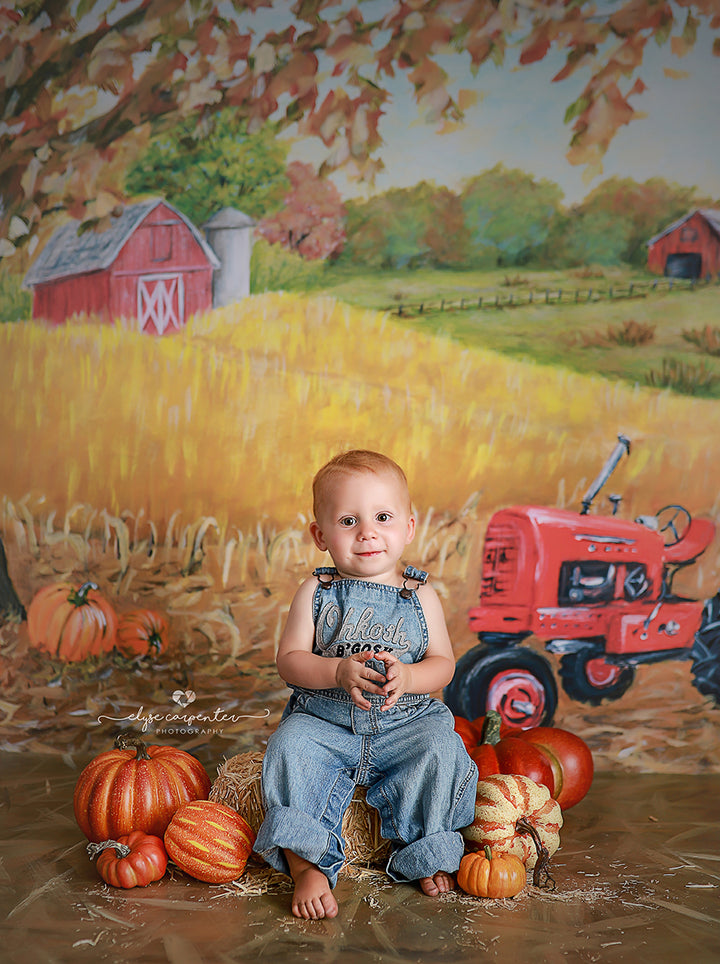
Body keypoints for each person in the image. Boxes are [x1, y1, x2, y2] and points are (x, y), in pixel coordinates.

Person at [253, 450, 478, 919]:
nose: (368, 532)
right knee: (290, 746)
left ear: (409, 527)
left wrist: (412, 676)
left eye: (382, 517)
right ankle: (306, 862)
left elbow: (444, 664)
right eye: (349, 520)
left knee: (440, 747)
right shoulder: (315, 592)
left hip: (404, 723)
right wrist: (335, 672)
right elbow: (290, 661)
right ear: (320, 535)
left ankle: (426, 850)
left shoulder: (421, 595)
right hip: (327, 722)